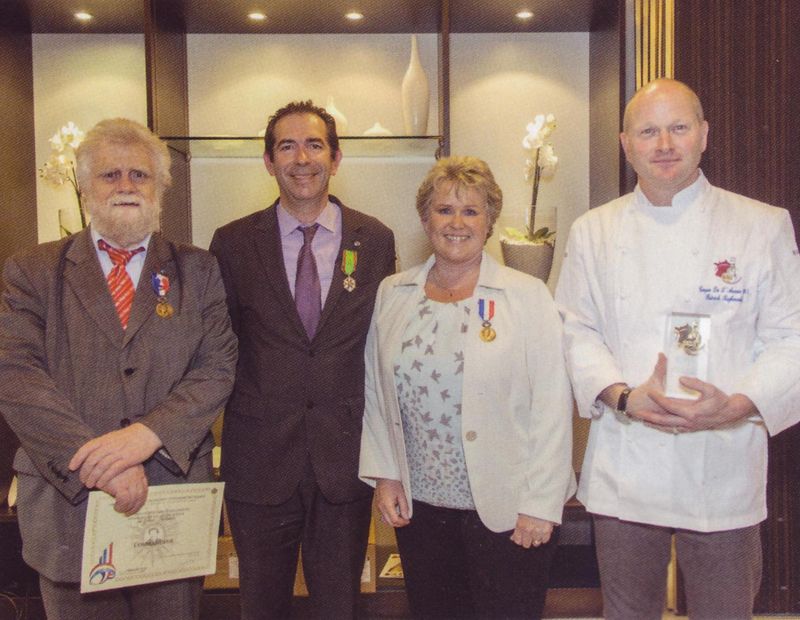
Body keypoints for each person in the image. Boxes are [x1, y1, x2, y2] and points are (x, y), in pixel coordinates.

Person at [555, 78, 800, 619]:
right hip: (628, 458)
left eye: (678, 127)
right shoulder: (593, 231)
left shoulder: (761, 225)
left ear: (704, 134)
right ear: (626, 144)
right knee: (626, 612)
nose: (664, 143)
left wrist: (738, 405)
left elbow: (792, 339)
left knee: (725, 611)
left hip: (725, 459)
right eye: (648, 131)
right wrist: (621, 396)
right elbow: (574, 329)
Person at [0, 118, 238, 619]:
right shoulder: (32, 270)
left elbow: (217, 366)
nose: (126, 186)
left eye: (140, 175)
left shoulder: (198, 269)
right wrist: (97, 460)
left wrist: (145, 437)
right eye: (110, 175)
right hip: (70, 508)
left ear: (161, 188)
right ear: (84, 187)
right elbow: (16, 374)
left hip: (169, 501)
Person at [359, 156, 575, 619]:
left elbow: (553, 406)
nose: (456, 223)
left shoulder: (526, 295)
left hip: (508, 510)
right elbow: (376, 395)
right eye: (443, 210)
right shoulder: (393, 293)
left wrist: (541, 503)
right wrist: (386, 473)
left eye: (471, 211)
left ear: (490, 221)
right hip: (422, 511)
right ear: (425, 219)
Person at [209, 100, 395, 619]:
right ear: (268, 162)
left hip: (344, 463)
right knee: (260, 606)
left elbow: (382, 349)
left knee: (339, 607)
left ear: (336, 159)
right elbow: (218, 349)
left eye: (314, 145)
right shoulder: (232, 243)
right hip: (259, 464)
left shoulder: (376, 239)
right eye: (286, 146)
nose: (301, 158)